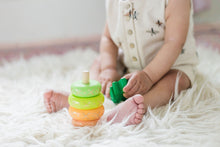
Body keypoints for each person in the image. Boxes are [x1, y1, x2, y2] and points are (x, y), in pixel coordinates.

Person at [44, 0, 198, 126]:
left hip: (171, 65)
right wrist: (109, 68)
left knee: (175, 82)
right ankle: (85, 102)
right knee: (99, 63)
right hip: (128, 62)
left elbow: (174, 43)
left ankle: (138, 105)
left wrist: (149, 76)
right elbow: (108, 38)